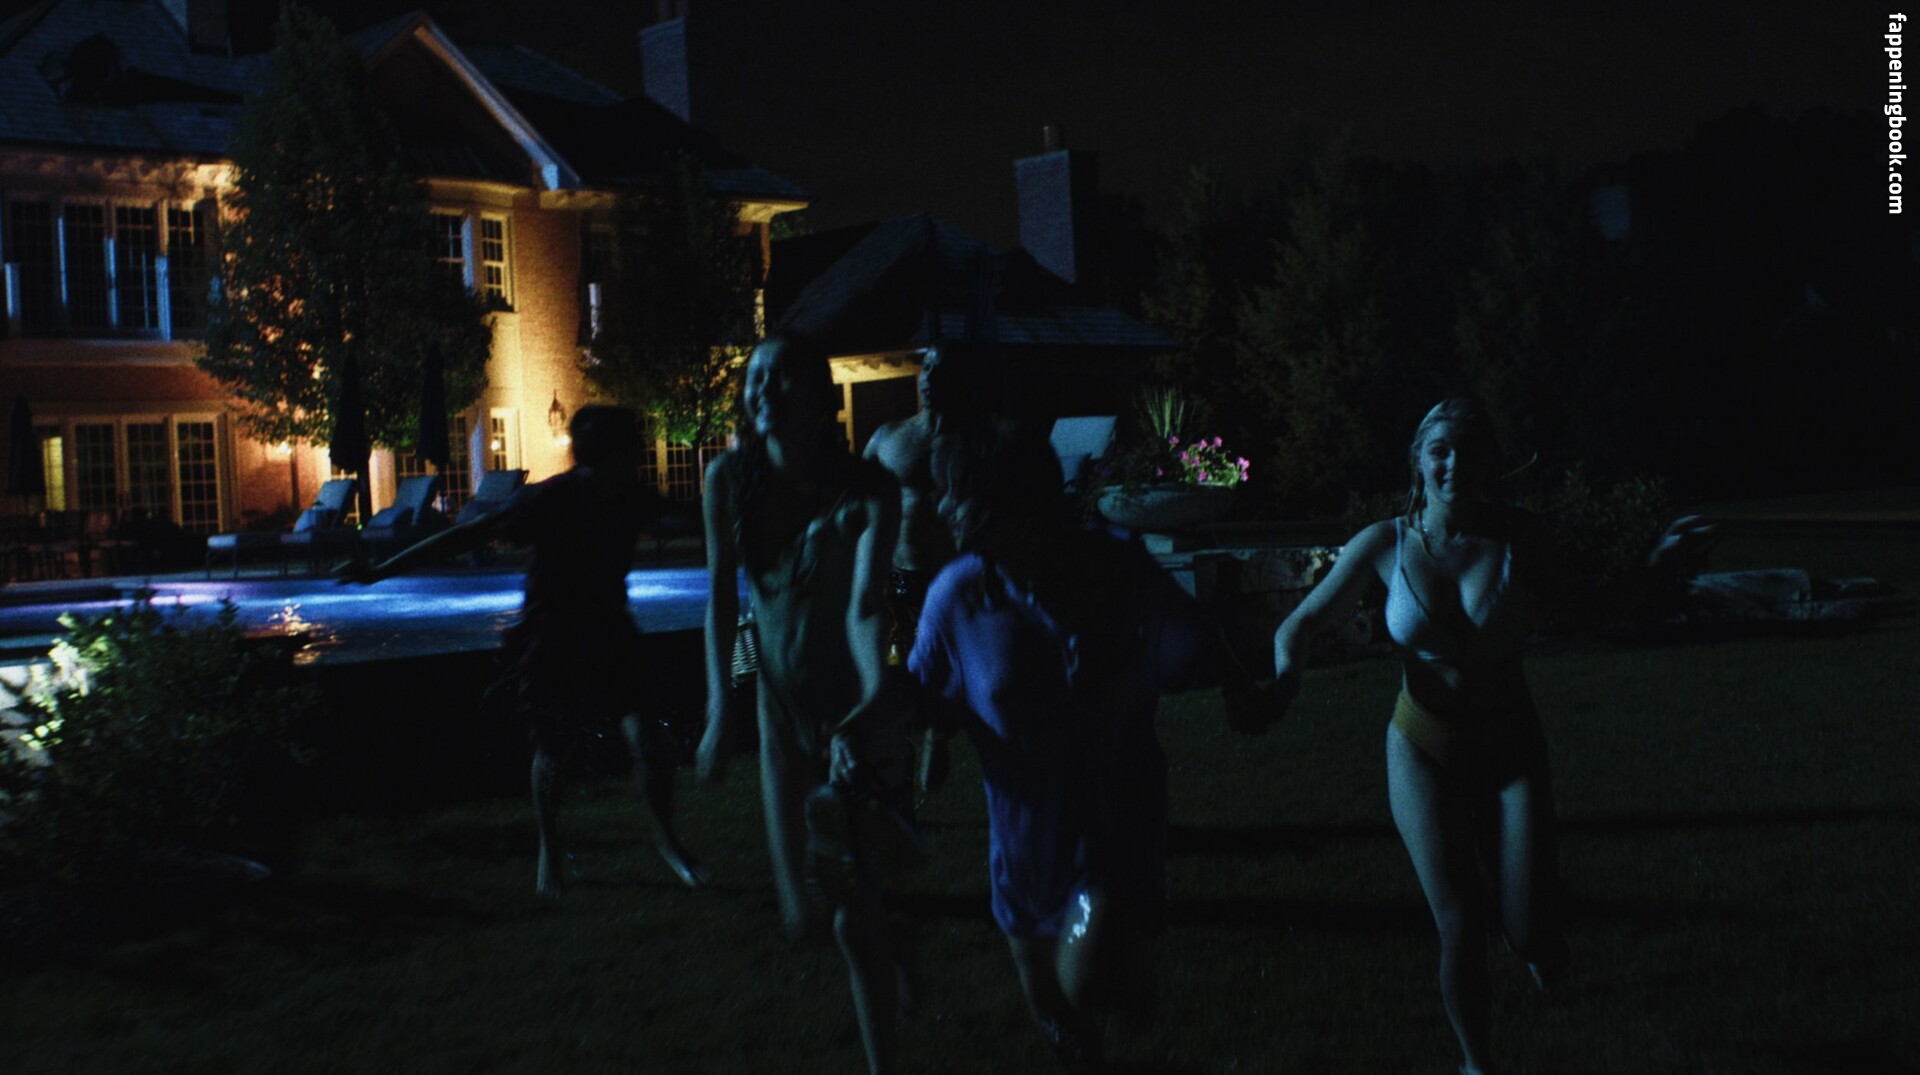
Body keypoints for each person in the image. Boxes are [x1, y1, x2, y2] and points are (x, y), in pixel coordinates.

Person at [1266, 398, 1713, 1075]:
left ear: (1490, 464)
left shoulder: (1520, 538)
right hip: (1422, 745)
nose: (1454, 463)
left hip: (1511, 748)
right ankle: (1477, 1065)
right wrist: (1284, 681)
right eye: (1440, 449)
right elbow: (1299, 623)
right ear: (1418, 460)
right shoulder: (1384, 543)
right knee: (1460, 923)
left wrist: (1657, 564)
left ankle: (1536, 943)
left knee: (1532, 932)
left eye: (1469, 451)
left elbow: (1592, 609)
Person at [907, 419, 1273, 1069]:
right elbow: (923, 690)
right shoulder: (959, 595)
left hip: (1115, 835)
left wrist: (1239, 687)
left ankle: (1122, 968)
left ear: (1005, 500)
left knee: (1089, 975)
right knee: (1055, 1012)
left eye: (952, 492)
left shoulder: (1116, 566)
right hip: (1024, 851)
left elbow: (1195, 629)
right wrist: (872, 733)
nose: (940, 508)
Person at [337, 404, 708, 901]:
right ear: (611, 453)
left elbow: (693, 518)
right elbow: (466, 534)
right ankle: (549, 849)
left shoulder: (631, 497)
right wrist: (382, 570)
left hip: (611, 630)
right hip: (554, 632)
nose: (640, 457)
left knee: (648, 740)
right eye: (633, 449)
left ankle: (667, 840)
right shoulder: (551, 499)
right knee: (553, 748)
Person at [697, 332, 911, 1075]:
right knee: (801, 920)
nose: (763, 388)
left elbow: (865, 608)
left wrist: (871, 703)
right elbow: (722, 600)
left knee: (853, 916)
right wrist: (720, 709)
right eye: (755, 376)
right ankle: (896, 941)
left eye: (783, 376)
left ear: (821, 398)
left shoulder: (869, 491)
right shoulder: (727, 480)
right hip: (778, 720)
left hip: (853, 717)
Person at [861, 339, 999, 792]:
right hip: (899, 581)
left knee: (952, 674)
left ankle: (938, 736)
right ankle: (898, 770)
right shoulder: (889, 438)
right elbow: (852, 503)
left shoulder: (976, 445)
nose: (930, 378)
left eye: (941, 371)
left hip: (952, 583)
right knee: (893, 676)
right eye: (926, 369)